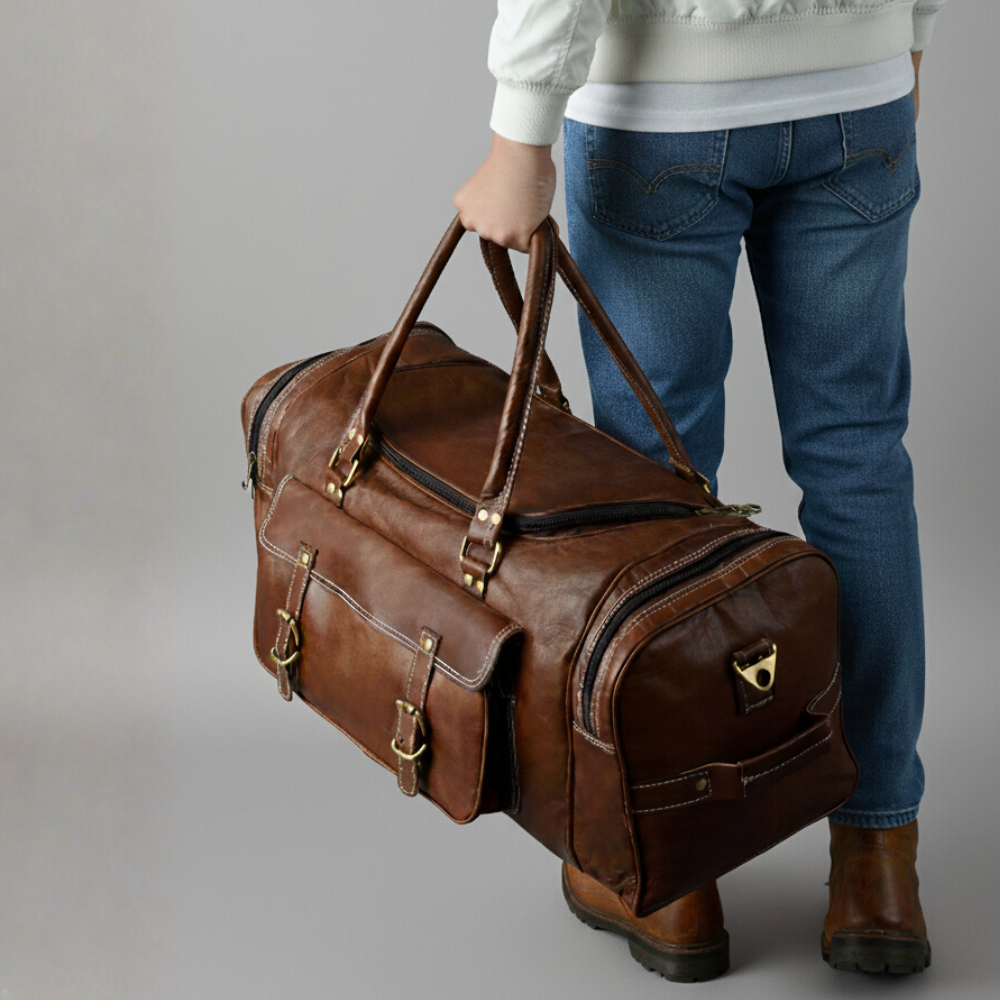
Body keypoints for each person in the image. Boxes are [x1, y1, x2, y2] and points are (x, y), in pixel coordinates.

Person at [454, 0, 949, 981]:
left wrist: (521, 126)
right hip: (861, 88)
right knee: (858, 463)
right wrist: (909, 32)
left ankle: (670, 874)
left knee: (654, 484)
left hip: (663, 105)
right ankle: (877, 867)